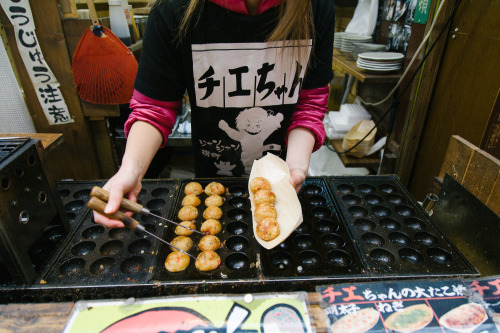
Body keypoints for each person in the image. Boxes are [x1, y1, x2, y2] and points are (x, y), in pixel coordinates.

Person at [95, 0, 335, 228]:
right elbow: (155, 108)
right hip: (214, 181)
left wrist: (296, 169)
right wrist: (131, 169)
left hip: (281, 185)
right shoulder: (173, 10)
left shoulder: (314, 8)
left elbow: (308, 105)